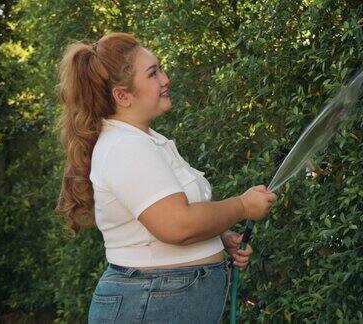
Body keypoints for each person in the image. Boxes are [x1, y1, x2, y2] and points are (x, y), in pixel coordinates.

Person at [54, 32, 277, 323]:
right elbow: (177, 225)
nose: (165, 78)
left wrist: (217, 237)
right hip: (148, 306)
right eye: (153, 73)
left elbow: (162, 220)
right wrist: (242, 207)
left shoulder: (145, 141)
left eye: (160, 69)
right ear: (122, 95)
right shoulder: (124, 147)